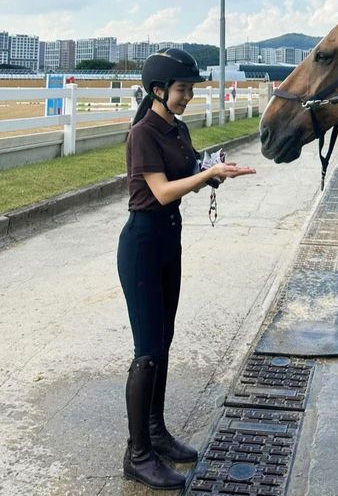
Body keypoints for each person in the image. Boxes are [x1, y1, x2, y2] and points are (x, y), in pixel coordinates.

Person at [117, 48, 256, 490]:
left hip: (167, 241)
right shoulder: (143, 134)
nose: (188, 97)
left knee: (165, 339)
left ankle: (156, 433)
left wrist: (214, 171)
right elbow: (160, 191)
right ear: (158, 90)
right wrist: (203, 177)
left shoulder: (175, 128)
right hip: (141, 243)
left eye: (190, 90)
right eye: (182, 90)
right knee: (147, 350)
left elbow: (190, 169)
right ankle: (137, 454)